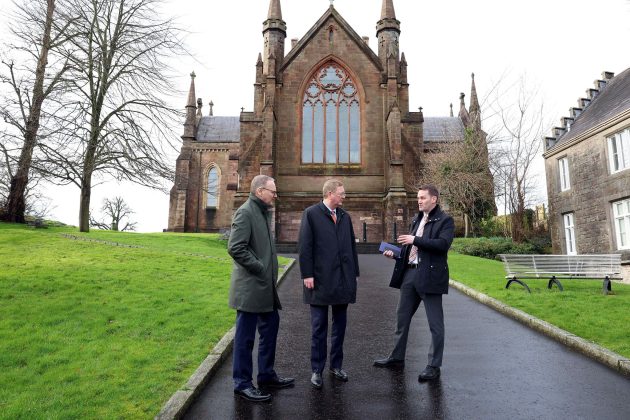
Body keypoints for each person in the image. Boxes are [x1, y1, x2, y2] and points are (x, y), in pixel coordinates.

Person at [373, 185, 454, 381]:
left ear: (434, 199)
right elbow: (410, 251)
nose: (419, 201)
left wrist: (415, 239)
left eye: (423, 198)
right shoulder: (417, 219)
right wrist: (395, 254)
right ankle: (397, 357)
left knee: (435, 324)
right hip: (410, 275)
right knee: (402, 319)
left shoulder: (445, 220)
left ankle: (433, 366)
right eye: (418, 198)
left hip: (431, 277)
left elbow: (442, 245)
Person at [227, 174, 294, 402]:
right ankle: (242, 384)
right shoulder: (246, 212)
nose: (275, 195)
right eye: (272, 191)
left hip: (265, 288)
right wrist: (259, 267)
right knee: (245, 339)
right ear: (259, 192)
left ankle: (266, 375)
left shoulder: (263, 212)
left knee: (270, 330)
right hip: (250, 288)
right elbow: (235, 247)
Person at [298, 179, 360, 389]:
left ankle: (336, 366)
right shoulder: (311, 214)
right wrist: (307, 274)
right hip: (319, 280)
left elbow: (351, 246)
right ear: (330, 193)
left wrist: (354, 273)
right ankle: (317, 370)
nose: (344, 196)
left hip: (342, 280)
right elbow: (305, 246)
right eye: (341, 193)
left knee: (340, 327)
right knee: (319, 328)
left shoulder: (344, 216)